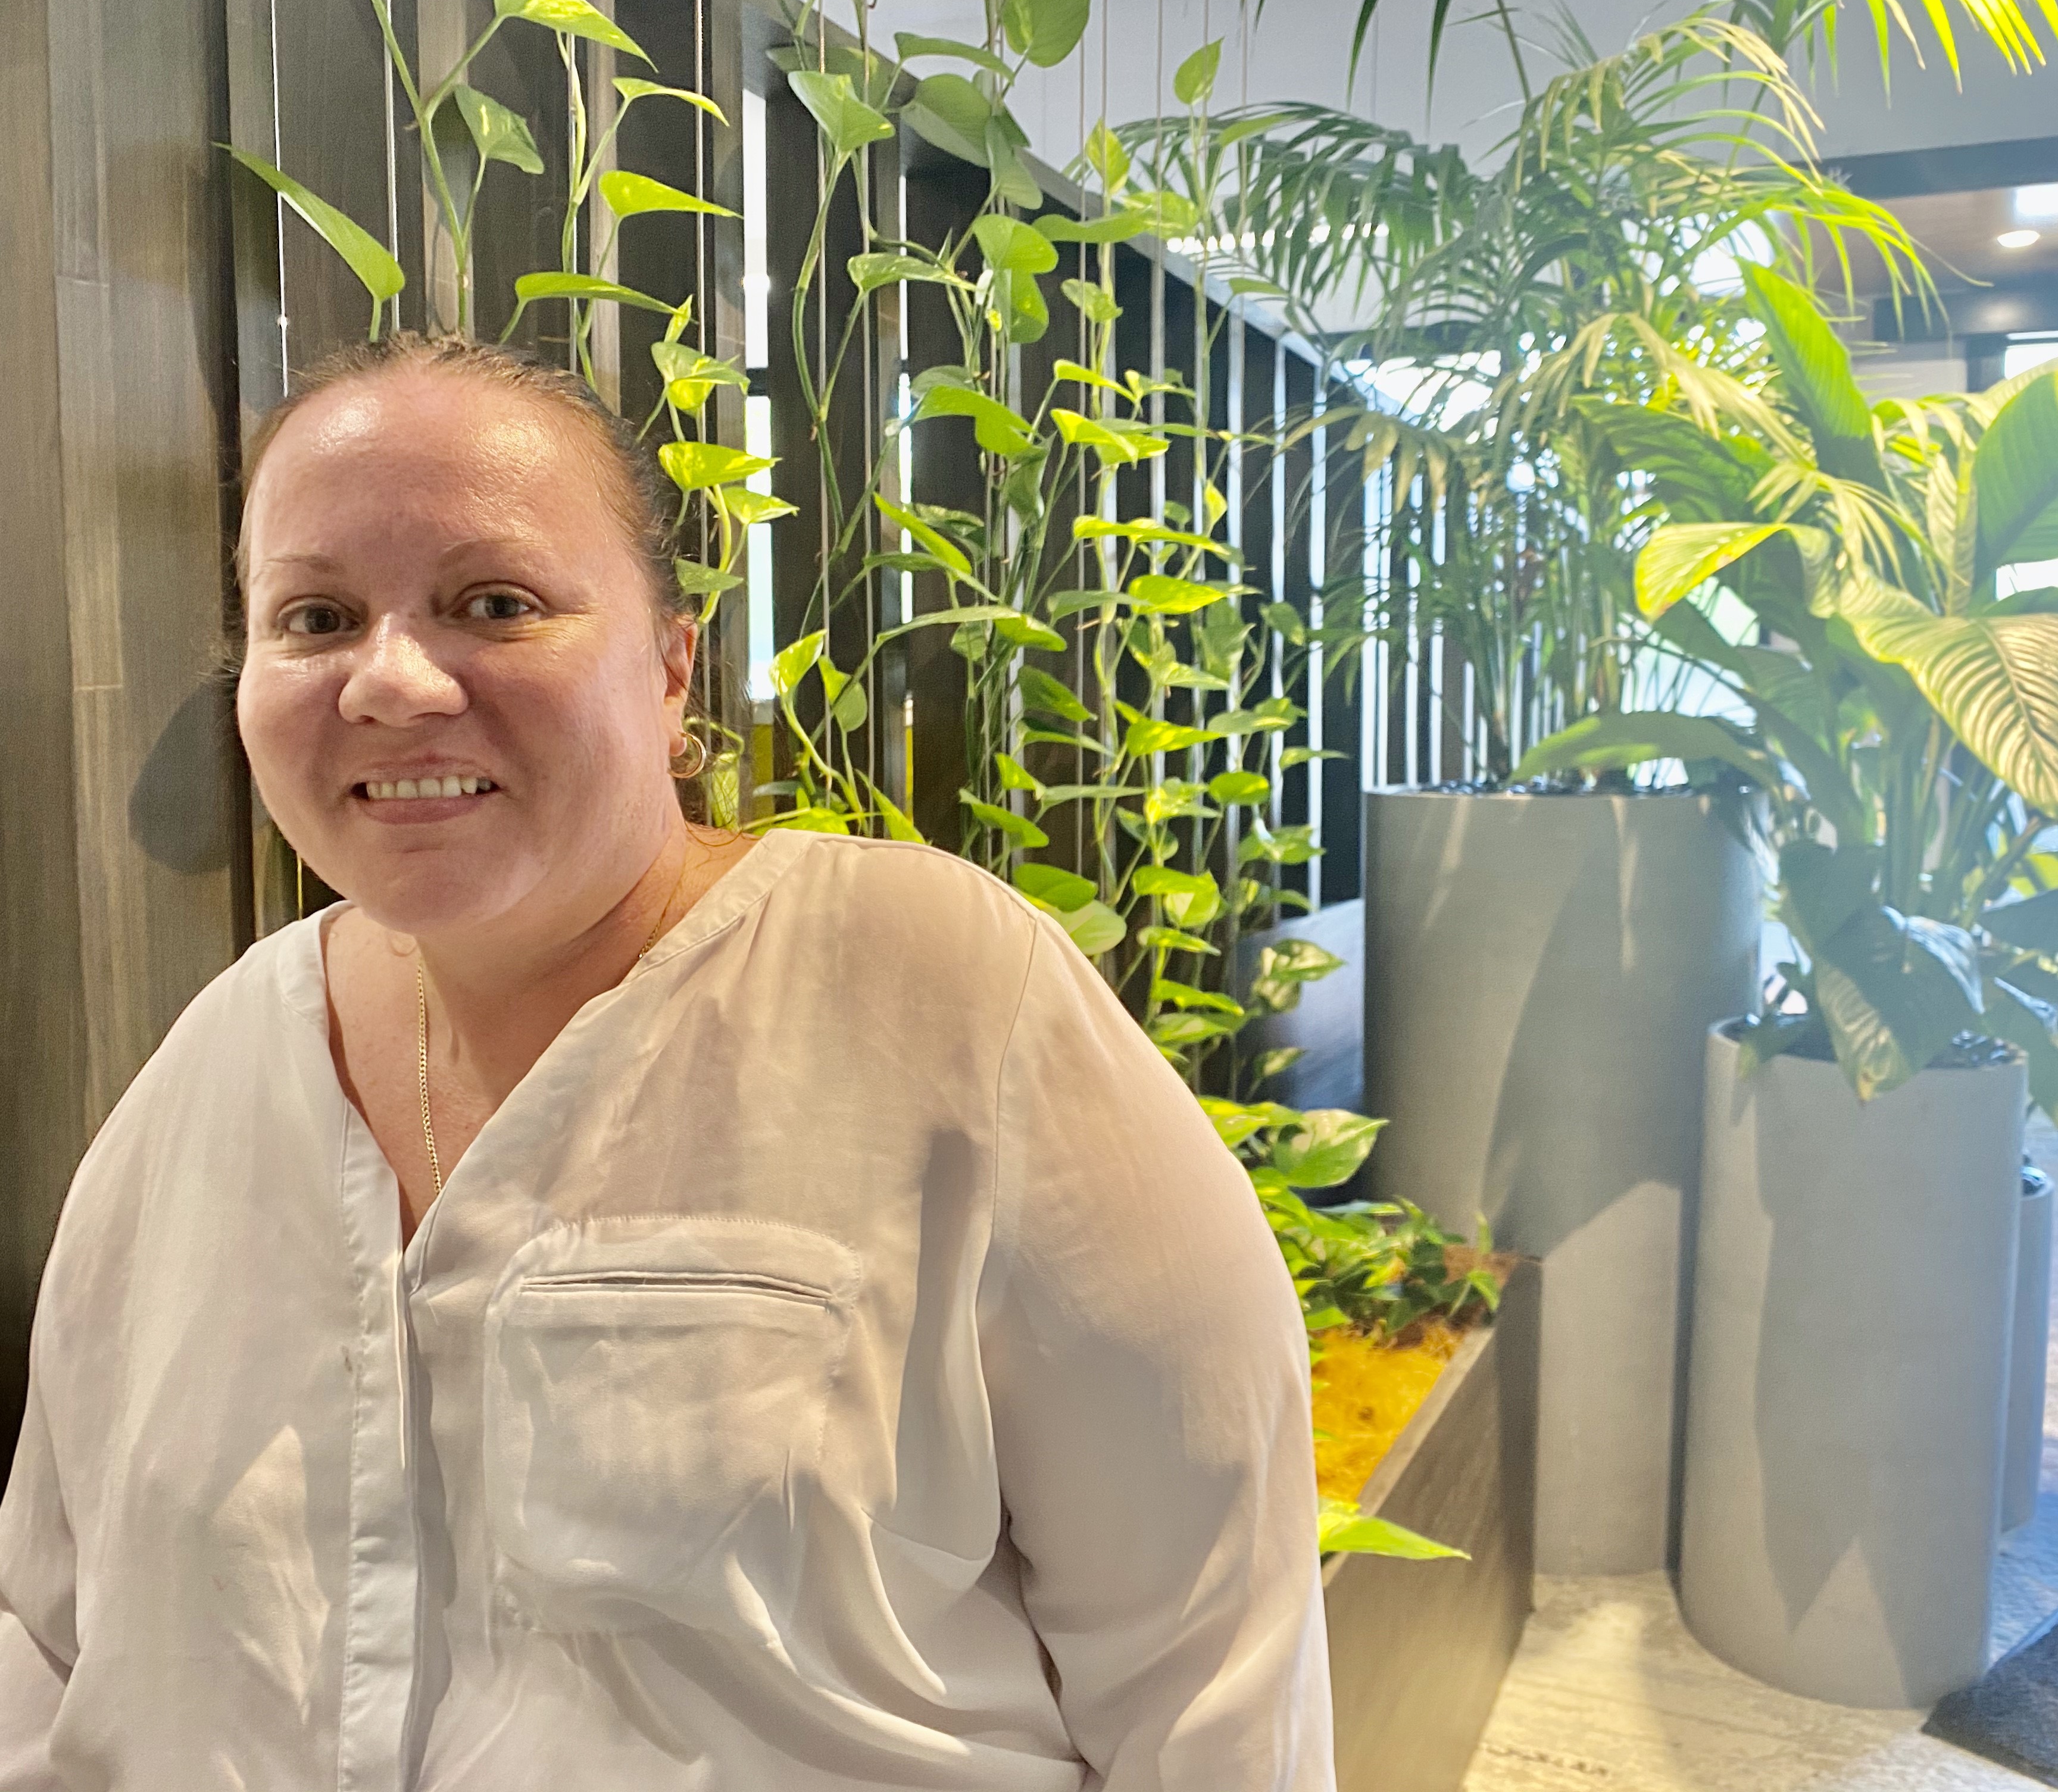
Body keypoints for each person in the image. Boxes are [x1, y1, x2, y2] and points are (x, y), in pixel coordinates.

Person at [0, 334, 1333, 1790]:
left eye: (493, 603)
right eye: (313, 616)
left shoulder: (938, 990)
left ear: (672, 665)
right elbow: (51, 1633)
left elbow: (1210, 1667)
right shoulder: (219, 1067)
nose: (391, 682)